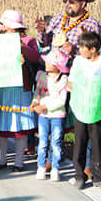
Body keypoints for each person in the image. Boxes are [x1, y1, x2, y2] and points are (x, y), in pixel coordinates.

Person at [0, 10, 39, 172]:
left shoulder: (28, 40)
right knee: (1, 123)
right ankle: (2, 158)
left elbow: (35, 57)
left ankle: (19, 160)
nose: (3, 28)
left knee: (20, 124)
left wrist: (19, 46)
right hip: (3, 86)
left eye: (5, 25)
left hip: (21, 87)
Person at [70, 31, 101, 191]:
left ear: (94, 49)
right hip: (82, 107)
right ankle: (79, 175)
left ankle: (99, 177)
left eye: (83, 47)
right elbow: (71, 81)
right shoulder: (78, 62)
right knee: (80, 141)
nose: (80, 50)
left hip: (98, 110)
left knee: (98, 142)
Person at [35, 0, 101, 71]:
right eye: (66, 1)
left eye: (71, 2)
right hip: (52, 71)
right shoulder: (58, 18)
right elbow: (44, 43)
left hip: (74, 73)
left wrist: (74, 51)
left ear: (82, 4)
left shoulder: (92, 25)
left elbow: (96, 55)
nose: (67, 4)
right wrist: (41, 32)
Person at [31, 50, 69, 181]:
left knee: (56, 142)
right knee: (42, 141)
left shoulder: (63, 80)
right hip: (43, 115)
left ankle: (55, 168)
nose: (46, 64)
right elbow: (38, 92)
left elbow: (61, 100)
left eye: (49, 62)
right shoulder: (42, 76)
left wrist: (45, 106)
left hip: (57, 115)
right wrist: (34, 102)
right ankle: (41, 167)